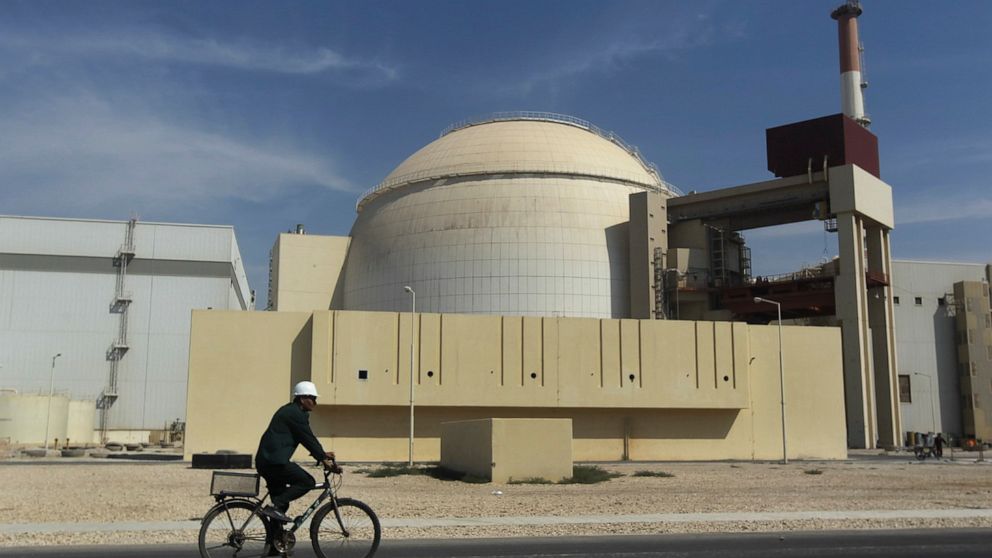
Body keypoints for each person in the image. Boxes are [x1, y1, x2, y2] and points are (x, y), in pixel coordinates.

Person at [255, 381, 335, 524]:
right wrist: (322, 457)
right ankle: (275, 505)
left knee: (281, 508)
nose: (315, 403)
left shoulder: (292, 411)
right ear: (302, 398)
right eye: (313, 398)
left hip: (267, 461)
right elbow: (307, 437)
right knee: (307, 482)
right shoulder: (294, 414)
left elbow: (304, 438)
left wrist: (322, 454)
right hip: (274, 463)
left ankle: (274, 544)